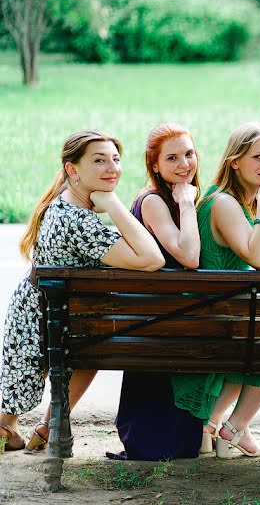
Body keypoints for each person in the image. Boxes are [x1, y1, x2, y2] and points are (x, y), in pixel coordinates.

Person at [0, 130, 164, 452]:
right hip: (60, 323)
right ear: (72, 169)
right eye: (99, 160)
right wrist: (115, 204)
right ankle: (42, 426)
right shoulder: (78, 222)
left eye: (116, 160)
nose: (112, 168)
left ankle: (24, 426)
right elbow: (152, 258)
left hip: (43, 313)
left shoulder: (64, 206)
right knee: (91, 347)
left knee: (89, 345)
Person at [169, 122, 260, 459]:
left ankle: (218, 425)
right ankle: (232, 426)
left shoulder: (228, 199)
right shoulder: (225, 203)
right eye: (257, 157)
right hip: (214, 318)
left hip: (221, 312)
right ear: (235, 162)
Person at [113, 123, 204, 460]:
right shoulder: (154, 201)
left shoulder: (173, 195)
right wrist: (186, 203)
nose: (184, 164)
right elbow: (189, 257)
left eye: (189, 154)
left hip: (166, 314)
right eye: (173, 158)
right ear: (154, 164)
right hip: (157, 318)